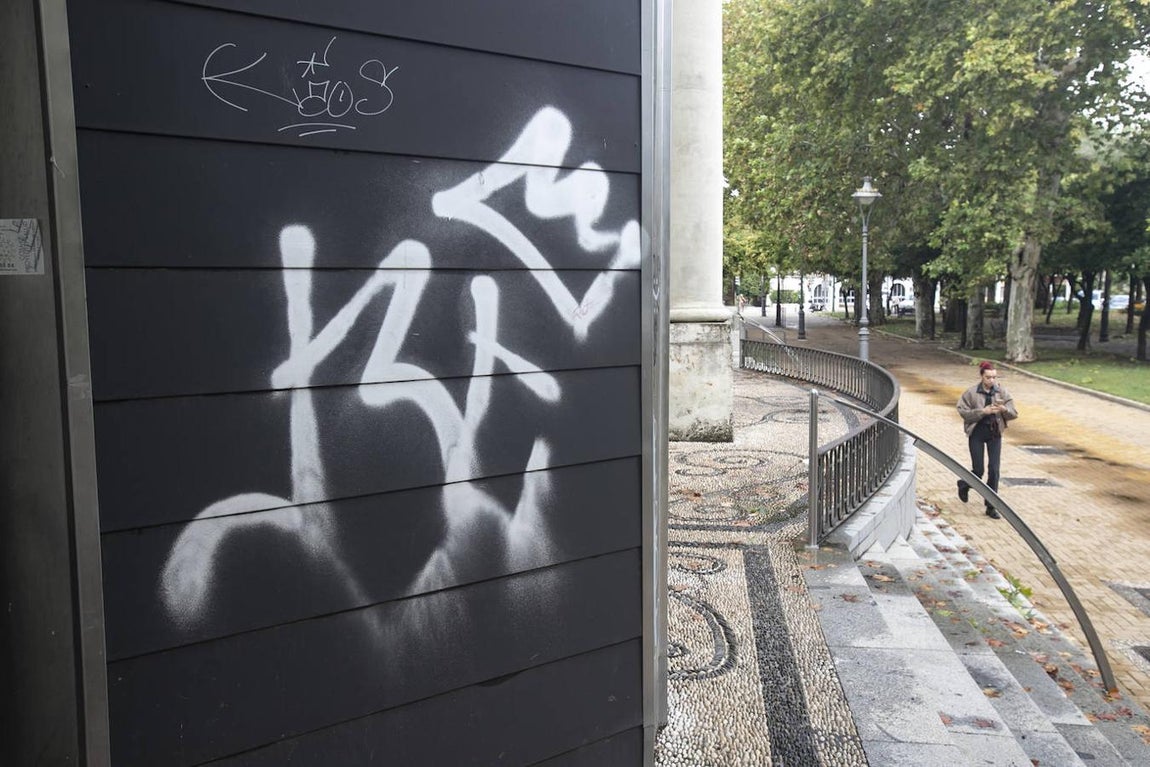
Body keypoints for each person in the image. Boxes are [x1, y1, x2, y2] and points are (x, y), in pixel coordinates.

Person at [956, 361, 1018, 519]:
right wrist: (982, 411)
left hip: (995, 434)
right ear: (982, 376)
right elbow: (962, 411)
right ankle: (964, 484)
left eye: (994, 377)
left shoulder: (1002, 392)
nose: (992, 380)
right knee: (978, 469)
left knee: (994, 470)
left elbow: (1014, 413)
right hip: (977, 432)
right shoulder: (971, 393)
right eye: (988, 377)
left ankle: (991, 506)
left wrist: (1004, 409)